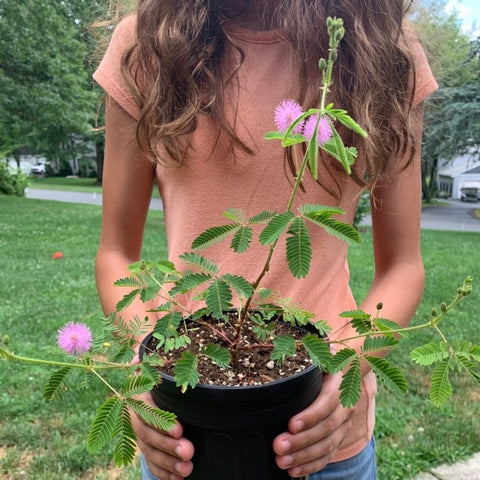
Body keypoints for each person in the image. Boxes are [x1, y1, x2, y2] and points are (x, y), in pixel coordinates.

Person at [93, 1, 438, 479]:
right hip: (186, 426)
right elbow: (116, 255)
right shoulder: (147, 46)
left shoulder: (384, 51)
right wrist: (142, 366)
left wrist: (351, 367)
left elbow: (403, 265)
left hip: (325, 434)